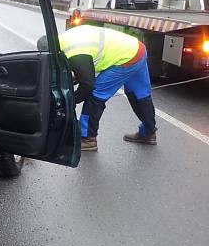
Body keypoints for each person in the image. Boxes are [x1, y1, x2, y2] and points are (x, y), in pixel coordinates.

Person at [37, 24, 157, 152]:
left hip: (126, 58)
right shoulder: (66, 39)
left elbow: (87, 86)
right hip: (136, 49)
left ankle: (88, 139)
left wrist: (69, 102)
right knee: (139, 94)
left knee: (96, 95)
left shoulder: (75, 51)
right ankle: (148, 132)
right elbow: (84, 70)